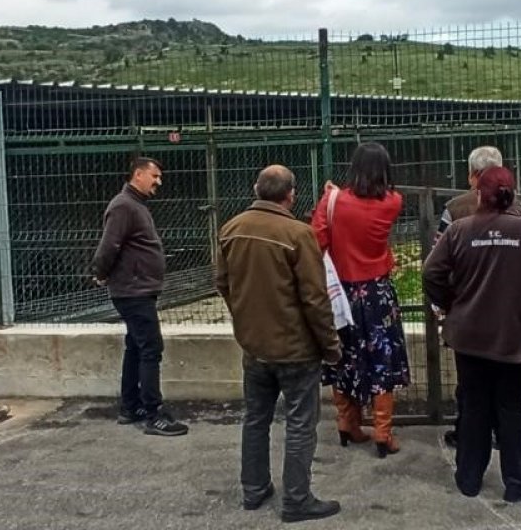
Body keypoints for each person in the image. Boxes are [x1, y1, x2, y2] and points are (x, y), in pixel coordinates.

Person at [423, 166, 521, 502]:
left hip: (470, 337)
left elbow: (431, 273)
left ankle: (468, 478)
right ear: (513, 194)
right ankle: (518, 480)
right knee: (511, 409)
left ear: (479, 194)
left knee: (474, 406)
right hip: (515, 337)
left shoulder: (460, 231)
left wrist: (451, 302)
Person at [217, 165, 343, 523]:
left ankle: (254, 489)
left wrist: (245, 320)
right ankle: (297, 500)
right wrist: (331, 346)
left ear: (256, 189)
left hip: (254, 347)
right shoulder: (299, 234)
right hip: (296, 349)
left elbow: (222, 282)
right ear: (291, 194)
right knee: (300, 424)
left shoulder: (230, 229)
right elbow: (315, 299)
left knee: (255, 419)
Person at [310, 142, 410, 458]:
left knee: (342, 356)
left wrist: (330, 196)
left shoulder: (332, 201)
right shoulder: (393, 202)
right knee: (383, 359)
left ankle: (347, 422)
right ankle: (383, 432)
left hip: (341, 294)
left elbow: (317, 239)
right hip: (378, 293)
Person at [434, 145, 521, 449]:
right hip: (510, 311)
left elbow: (437, 262)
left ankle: (468, 437)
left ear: (473, 175)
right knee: (506, 384)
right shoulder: (519, 209)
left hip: (467, 309)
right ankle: (501, 434)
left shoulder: (454, 209)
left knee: (471, 384)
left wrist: (444, 303)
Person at [90, 157, 187, 437]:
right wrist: (100, 272)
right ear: (138, 174)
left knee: (135, 346)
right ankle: (154, 414)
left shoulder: (135, 205)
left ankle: (131, 407)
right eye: (154, 176)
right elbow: (109, 245)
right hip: (133, 291)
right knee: (150, 348)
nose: (159, 182)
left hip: (137, 288)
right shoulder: (124, 206)